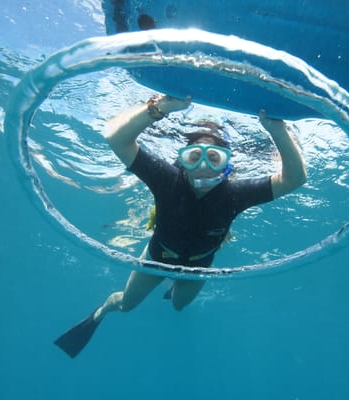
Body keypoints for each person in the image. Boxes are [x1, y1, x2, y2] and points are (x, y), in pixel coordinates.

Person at [54, 94, 307, 357]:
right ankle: (100, 312)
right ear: (182, 160)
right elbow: (116, 138)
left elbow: (295, 179)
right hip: (157, 258)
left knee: (178, 305)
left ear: (226, 165)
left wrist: (278, 131)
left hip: (198, 266)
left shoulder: (236, 193)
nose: (204, 167)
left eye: (215, 159)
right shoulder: (167, 180)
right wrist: (160, 108)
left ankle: (173, 288)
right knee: (127, 304)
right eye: (194, 156)